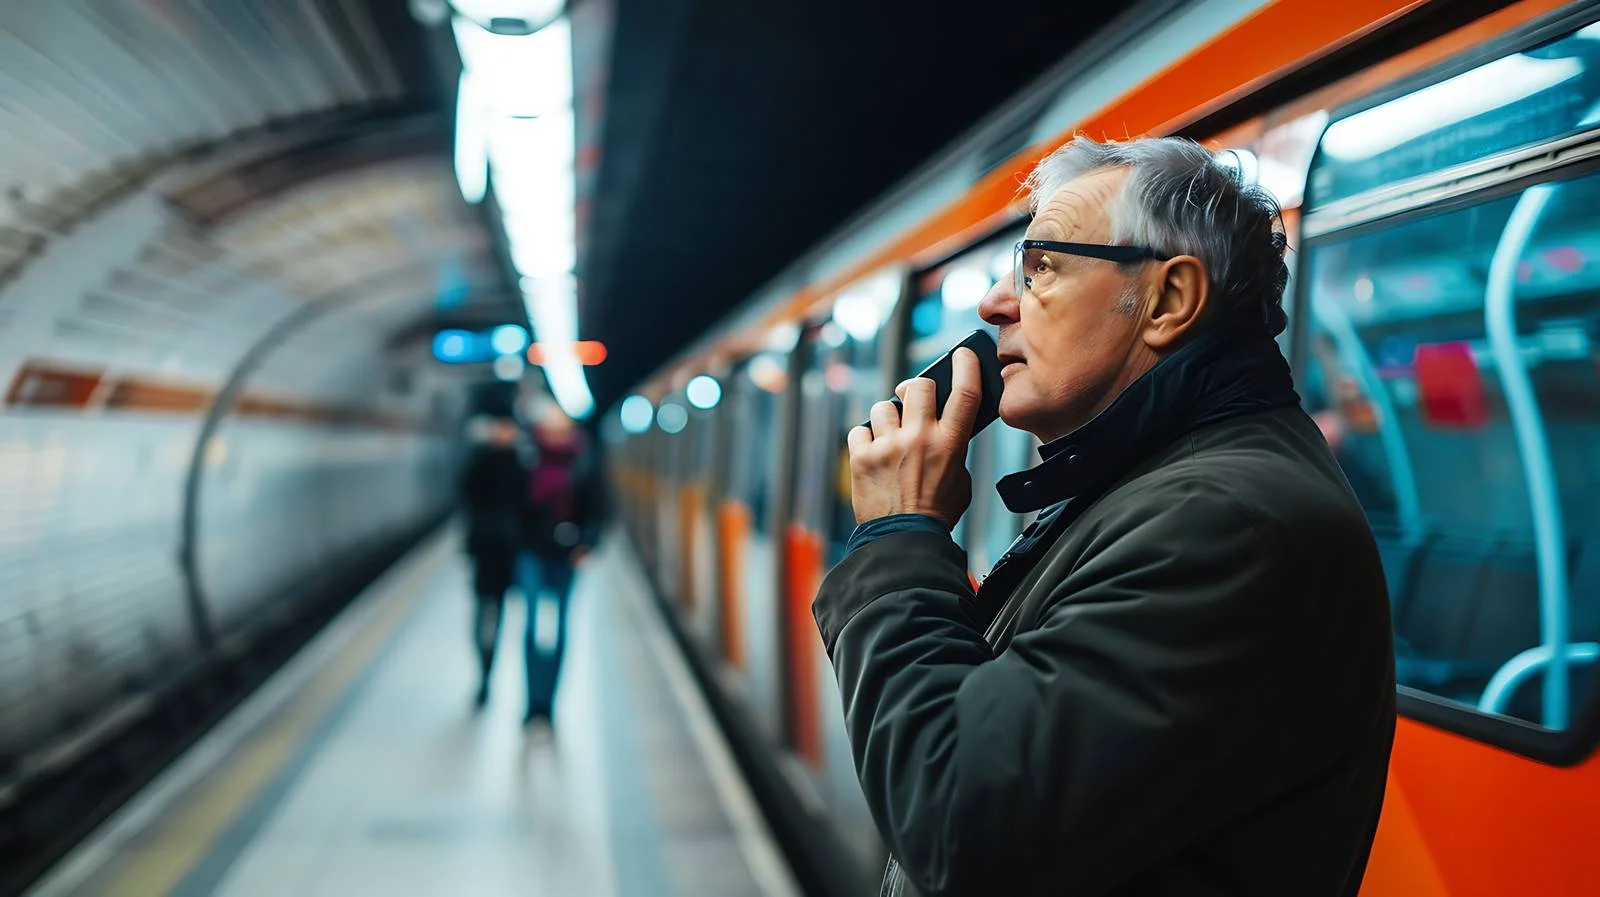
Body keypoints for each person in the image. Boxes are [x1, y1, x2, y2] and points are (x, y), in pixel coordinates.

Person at [812, 136, 1396, 897]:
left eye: (1041, 266)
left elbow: (964, 821)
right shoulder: (1160, 484)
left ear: (1169, 300)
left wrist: (900, 538)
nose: (995, 304)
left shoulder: (1224, 524)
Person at [515, 397, 605, 726]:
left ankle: (549, 702)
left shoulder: (584, 462)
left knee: (560, 631)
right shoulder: (527, 462)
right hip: (532, 553)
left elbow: (598, 508)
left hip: (567, 555)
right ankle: (531, 700)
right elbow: (511, 506)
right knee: (532, 627)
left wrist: (587, 544)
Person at [458, 412, 530, 710]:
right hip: (485, 548)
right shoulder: (480, 461)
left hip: (508, 551)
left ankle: (488, 671)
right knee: (480, 611)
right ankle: (483, 661)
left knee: (496, 610)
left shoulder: (521, 464)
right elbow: (466, 499)